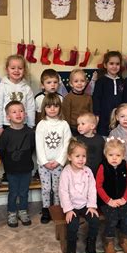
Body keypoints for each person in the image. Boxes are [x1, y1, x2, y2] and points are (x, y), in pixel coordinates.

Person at [59, 139, 99, 253]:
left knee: (94, 221)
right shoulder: (66, 173)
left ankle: (90, 247)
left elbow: (92, 189)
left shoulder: (88, 171)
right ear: (70, 157)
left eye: (83, 156)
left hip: (86, 205)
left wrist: (91, 205)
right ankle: (71, 249)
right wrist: (69, 210)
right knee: (73, 225)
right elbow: (63, 192)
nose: (81, 159)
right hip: (72, 206)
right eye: (77, 156)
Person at [0, 101, 35, 227]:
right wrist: (8, 165)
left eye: (21, 111)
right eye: (14, 112)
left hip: (26, 169)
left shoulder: (30, 133)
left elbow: (33, 149)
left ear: (25, 114)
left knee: (24, 192)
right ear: (8, 117)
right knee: (13, 192)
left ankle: (23, 211)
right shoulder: (6, 134)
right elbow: (1, 152)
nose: (18, 114)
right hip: (11, 170)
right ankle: (12, 213)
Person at [35, 93, 72, 224]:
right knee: (46, 188)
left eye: (55, 106)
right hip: (43, 164)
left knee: (57, 188)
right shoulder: (41, 124)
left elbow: (66, 144)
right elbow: (39, 145)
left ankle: (57, 208)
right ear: (44, 108)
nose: (52, 109)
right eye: (49, 106)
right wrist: (44, 162)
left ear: (60, 108)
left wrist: (59, 161)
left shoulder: (64, 125)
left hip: (58, 164)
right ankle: (46, 209)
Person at [96, 137, 127, 253]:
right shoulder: (103, 167)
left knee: (126, 218)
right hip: (106, 200)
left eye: (118, 155)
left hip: (123, 199)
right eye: (111, 155)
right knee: (112, 219)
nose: (114, 158)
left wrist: (124, 198)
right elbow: (98, 186)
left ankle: (124, 239)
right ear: (105, 155)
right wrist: (109, 200)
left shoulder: (125, 166)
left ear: (123, 156)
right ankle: (109, 241)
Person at [0, 54, 35, 135]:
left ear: (24, 70)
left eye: (20, 68)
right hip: (6, 124)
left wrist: (31, 125)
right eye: (13, 68)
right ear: (7, 70)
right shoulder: (2, 87)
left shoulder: (27, 88)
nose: (16, 70)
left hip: (23, 124)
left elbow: (31, 108)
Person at [92, 51, 124, 136]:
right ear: (105, 65)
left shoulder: (122, 81)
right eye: (111, 63)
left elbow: (124, 99)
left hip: (119, 117)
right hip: (103, 116)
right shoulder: (101, 81)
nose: (114, 66)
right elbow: (96, 98)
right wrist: (96, 114)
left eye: (117, 64)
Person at [62, 68, 93, 135]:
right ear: (71, 84)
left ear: (86, 82)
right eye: (76, 81)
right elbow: (66, 116)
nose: (79, 83)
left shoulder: (88, 97)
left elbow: (91, 113)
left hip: (86, 127)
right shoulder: (68, 98)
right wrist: (67, 130)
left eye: (82, 81)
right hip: (73, 128)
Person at [75, 112, 105, 177]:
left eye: (83, 124)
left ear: (92, 126)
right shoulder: (77, 140)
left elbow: (104, 156)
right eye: (78, 124)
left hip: (97, 172)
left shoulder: (100, 139)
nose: (79, 126)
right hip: (81, 172)